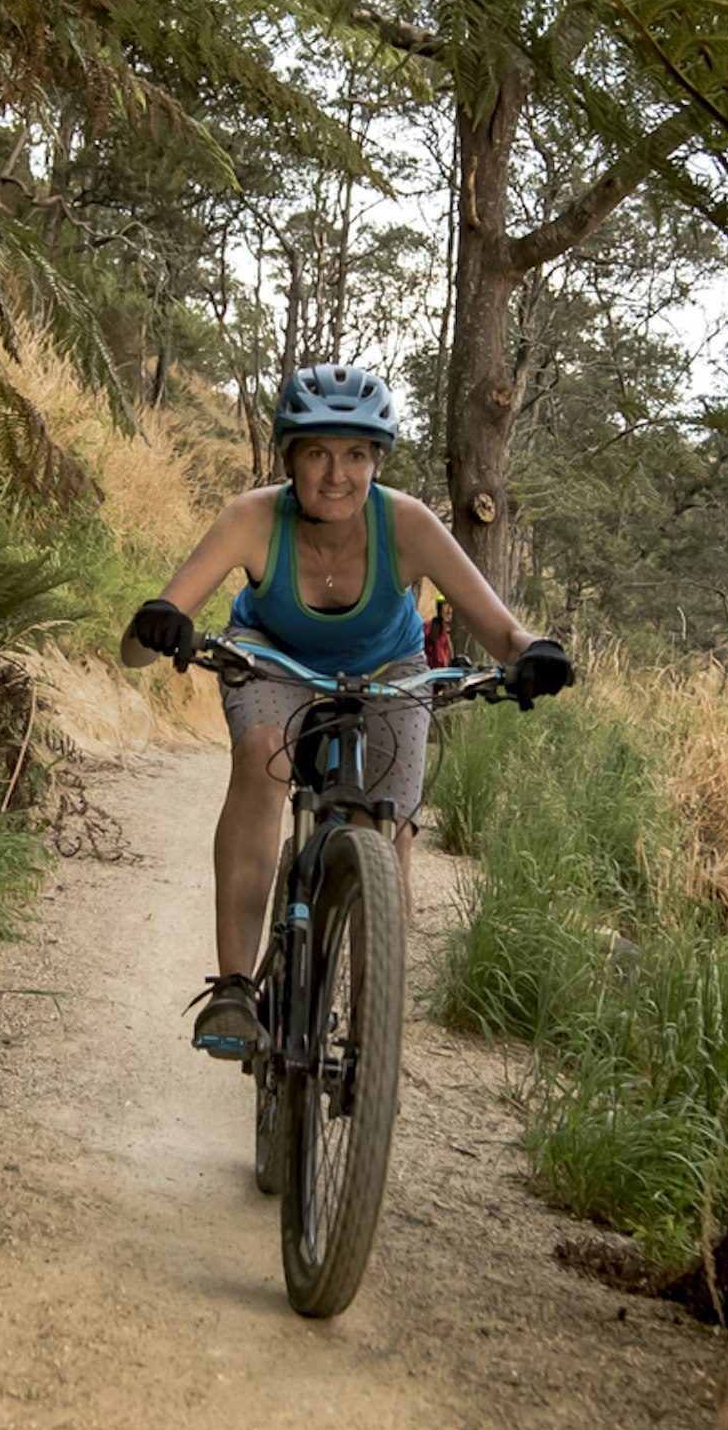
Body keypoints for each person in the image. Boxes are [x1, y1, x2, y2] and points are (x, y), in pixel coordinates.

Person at [121, 364, 572, 1053]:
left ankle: (373, 1032)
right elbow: (137, 648)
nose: (338, 474)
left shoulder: (408, 525)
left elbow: (503, 631)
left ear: (378, 460)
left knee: (387, 838)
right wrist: (159, 626)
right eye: (318, 452)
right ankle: (236, 990)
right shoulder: (252, 517)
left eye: (357, 454)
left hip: (390, 672)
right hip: (271, 656)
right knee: (259, 761)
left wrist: (533, 653)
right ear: (289, 457)